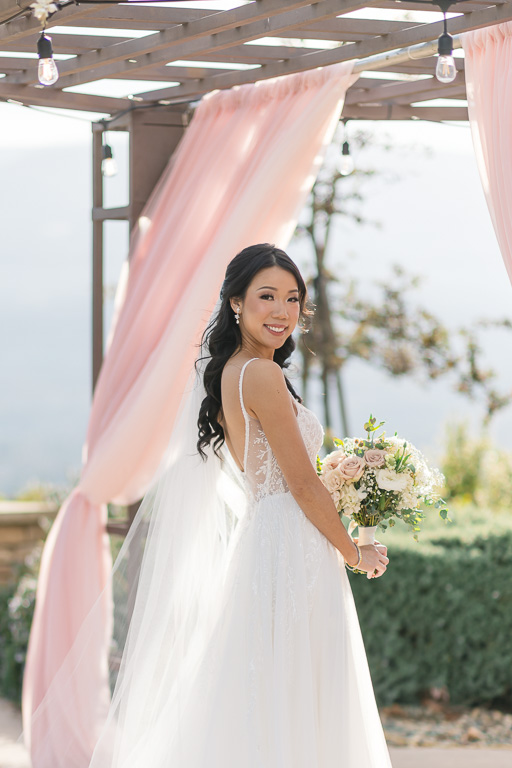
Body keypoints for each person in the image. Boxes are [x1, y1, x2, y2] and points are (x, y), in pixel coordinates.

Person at [24, 244, 392, 768]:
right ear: (236, 302)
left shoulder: (238, 371)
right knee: (296, 688)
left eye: (293, 298)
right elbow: (304, 487)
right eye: (267, 296)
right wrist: (355, 553)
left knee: (266, 689)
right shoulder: (260, 376)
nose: (283, 310)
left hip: (272, 535)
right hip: (291, 542)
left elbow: (290, 477)